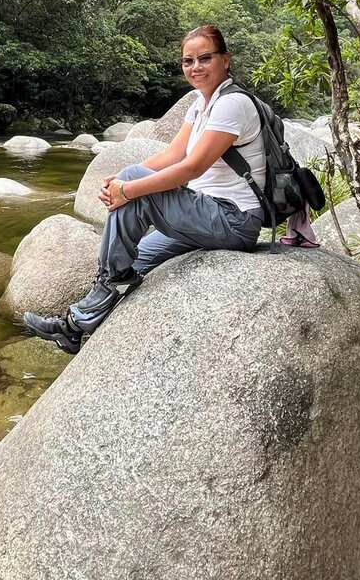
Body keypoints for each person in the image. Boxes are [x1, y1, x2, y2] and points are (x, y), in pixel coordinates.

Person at [24, 24, 266, 354]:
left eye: (205, 58)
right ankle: (75, 329)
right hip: (204, 216)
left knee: (128, 218)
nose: (195, 67)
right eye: (188, 61)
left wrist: (130, 188)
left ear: (225, 60)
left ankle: (93, 300)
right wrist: (121, 179)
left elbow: (191, 168)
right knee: (132, 261)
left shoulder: (232, 104)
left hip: (233, 219)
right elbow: (172, 155)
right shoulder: (200, 103)